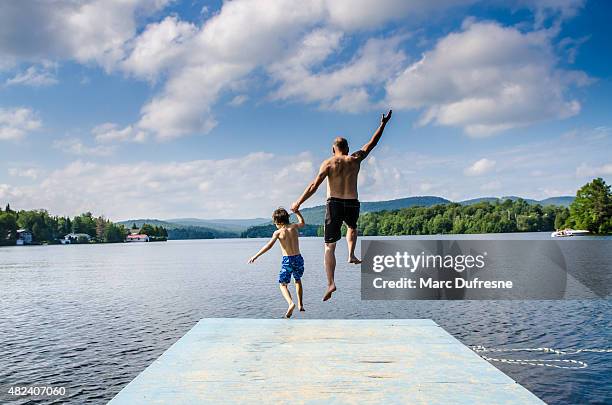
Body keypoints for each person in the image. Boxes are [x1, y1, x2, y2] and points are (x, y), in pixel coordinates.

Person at [291, 110, 392, 301]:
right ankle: (352, 254)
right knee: (352, 227)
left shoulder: (329, 163)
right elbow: (372, 144)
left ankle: (331, 283)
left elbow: (314, 185)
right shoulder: (355, 159)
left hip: (334, 203)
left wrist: (298, 202)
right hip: (352, 203)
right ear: (348, 148)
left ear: (333, 149)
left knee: (329, 247)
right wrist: (383, 124)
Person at [248, 207, 306, 318]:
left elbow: (268, 246)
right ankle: (300, 304)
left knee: (283, 284)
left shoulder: (278, 232)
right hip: (298, 258)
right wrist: (297, 212)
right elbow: (302, 223)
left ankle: (291, 303)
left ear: (278, 222)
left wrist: (256, 256)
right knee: (297, 280)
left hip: (287, 260)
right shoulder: (294, 227)